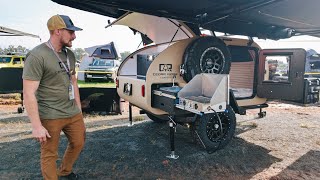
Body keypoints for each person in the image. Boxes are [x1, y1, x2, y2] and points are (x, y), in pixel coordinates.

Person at [23, 14, 85, 180]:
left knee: (78, 142)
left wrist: (78, 108)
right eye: (70, 31)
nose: (74, 36)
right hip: (50, 115)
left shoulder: (69, 55)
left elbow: (73, 82)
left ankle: (64, 171)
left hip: (72, 112)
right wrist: (36, 126)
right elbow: (28, 92)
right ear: (58, 31)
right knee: (50, 154)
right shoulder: (37, 56)